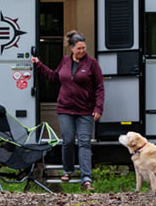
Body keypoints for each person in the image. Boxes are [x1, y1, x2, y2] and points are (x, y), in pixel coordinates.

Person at [31, 30, 104, 190]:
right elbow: (54, 77)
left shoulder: (92, 63)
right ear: (71, 48)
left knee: (84, 143)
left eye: (84, 48)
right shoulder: (65, 61)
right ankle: (68, 170)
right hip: (65, 109)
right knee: (68, 141)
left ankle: (86, 178)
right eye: (79, 48)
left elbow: (99, 87)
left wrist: (98, 107)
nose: (82, 51)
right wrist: (38, 65)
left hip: (85, 110)